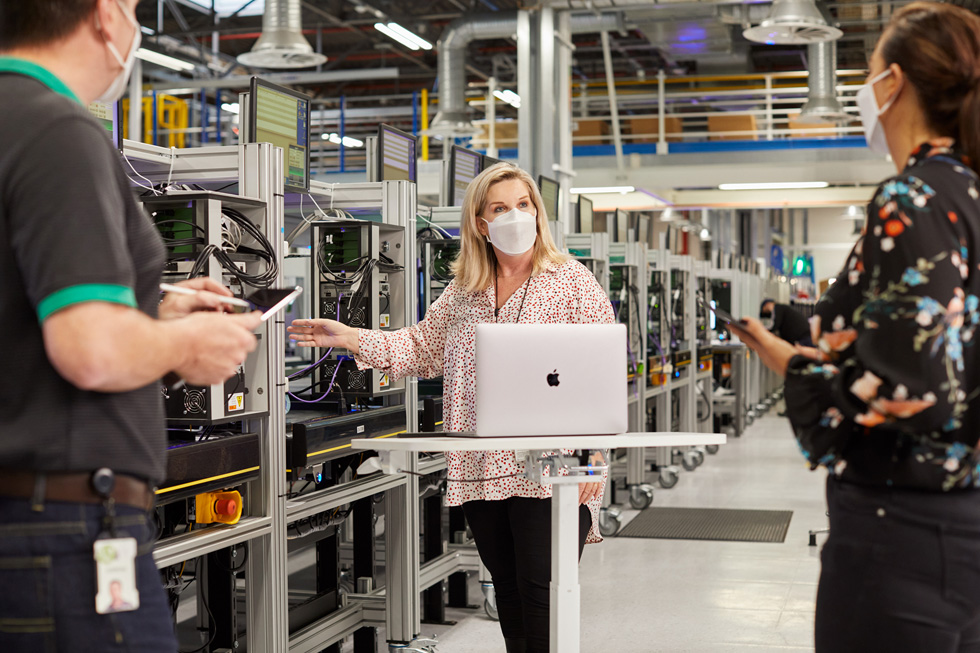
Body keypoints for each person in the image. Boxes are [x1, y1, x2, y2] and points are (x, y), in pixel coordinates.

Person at [0, 1, 262, 651]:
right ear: (104, 14)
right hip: (63, 527)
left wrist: (152, 311)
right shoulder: (56, 130)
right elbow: (89, 350)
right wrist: (186, 344)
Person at [730, 4, 980, 651]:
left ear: (893, 84)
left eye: (868, 74)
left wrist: (797, 367)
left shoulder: (912, 198)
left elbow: (911, 391)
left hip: (906, 535)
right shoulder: (970, 196)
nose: (864, 92)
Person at [289, 163, 612, 653]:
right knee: (507, 590)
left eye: (523, 205)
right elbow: (420, 348)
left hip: (555, 465)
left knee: (543, 592)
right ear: (481, 224)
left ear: (539, 214)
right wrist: (351, 337)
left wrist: (591, 458)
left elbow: (601, 370)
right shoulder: (465, 290)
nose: (515, 215)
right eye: (500, 208)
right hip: (482, 465)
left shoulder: (572, 281)